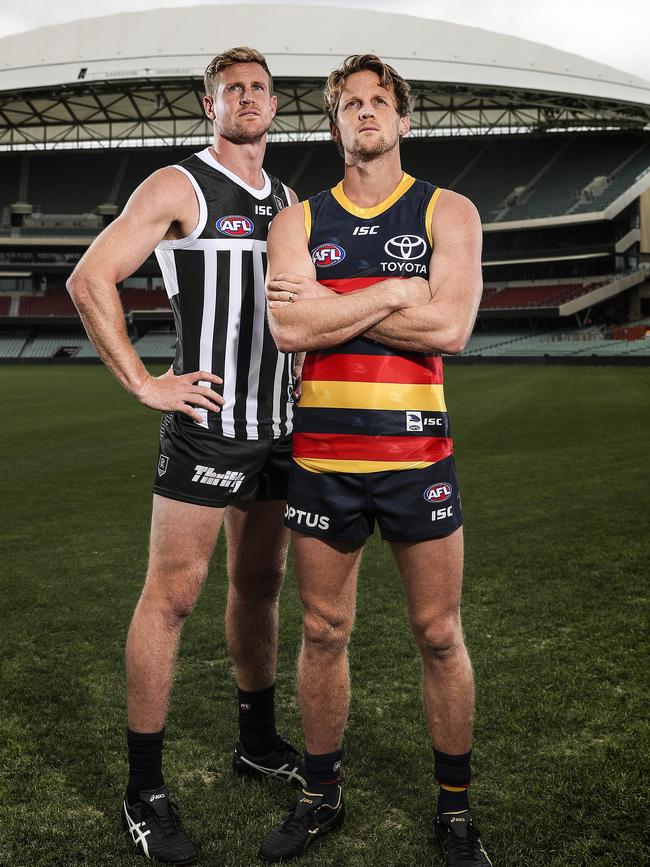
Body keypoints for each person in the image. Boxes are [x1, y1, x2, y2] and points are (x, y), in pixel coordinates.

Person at [67, 46, 305, 865]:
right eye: (232, 88)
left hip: (280, 425)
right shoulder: (180, 186)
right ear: (211, 104)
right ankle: (144, 790)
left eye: (260, 88)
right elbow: (90, 279)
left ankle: (257, 740)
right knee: (171, 598)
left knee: (260, 584)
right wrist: (144, 383)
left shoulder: (289, 198)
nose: (247, 97)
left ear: (276, 106)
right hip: (208, 425)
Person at [258, 55, 491, 866]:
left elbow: (452, 328)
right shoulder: (297, 221)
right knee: (322, 631)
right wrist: (397, 292)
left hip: (418, 458)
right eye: (349, 104)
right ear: (333, 124)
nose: (364, 113)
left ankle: (455, 814)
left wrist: (336, 308)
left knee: (437, 633)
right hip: (323, 458)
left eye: (378, 102)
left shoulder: (448, 211)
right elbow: (289, 331)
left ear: (401, 118)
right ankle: (320, 795)